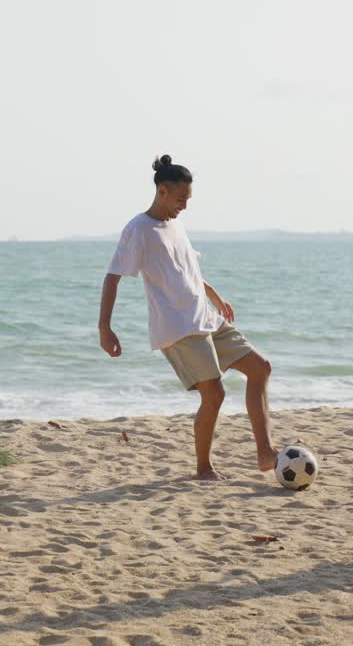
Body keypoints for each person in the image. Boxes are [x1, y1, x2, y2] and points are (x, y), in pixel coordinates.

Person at [98, 154, 278, 481]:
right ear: (162, 191)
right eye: (181, 198)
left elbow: (187, 270)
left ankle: (265, 452)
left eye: (188, 199)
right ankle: (203, 468)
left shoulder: (176, 223)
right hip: (178, 327)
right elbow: (113, 277)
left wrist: (215, 296)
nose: (185, 205)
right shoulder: (138, 229)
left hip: (205, 317)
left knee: (260, 367)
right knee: (215, 394)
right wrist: (104, 327)